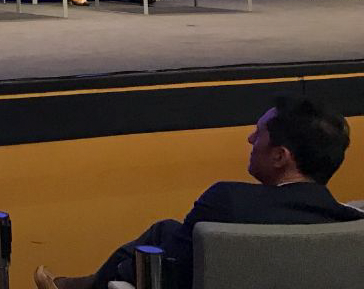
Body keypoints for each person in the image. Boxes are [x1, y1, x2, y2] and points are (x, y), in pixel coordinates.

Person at [34, 97, 362, 289]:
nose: (250, 141)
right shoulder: (350, 222)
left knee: (159, 241)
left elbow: (173, 275)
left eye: (258, 134)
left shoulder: (227, 202)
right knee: (166, 230)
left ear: (280, 156)